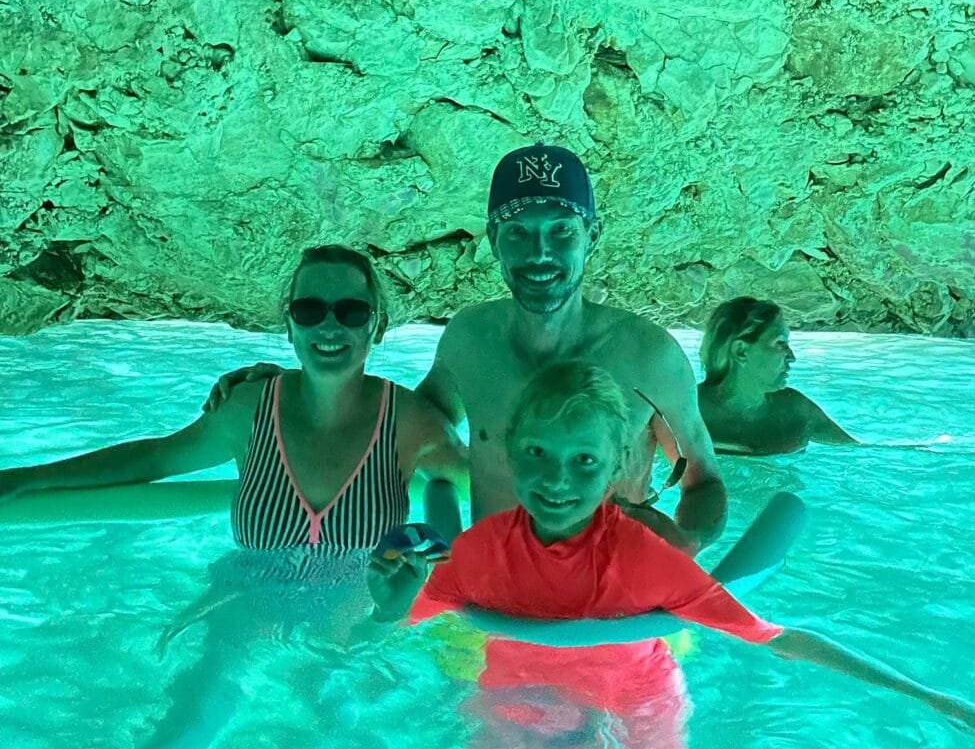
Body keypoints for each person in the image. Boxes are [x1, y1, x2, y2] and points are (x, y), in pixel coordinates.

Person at [368, 361, 974, 749]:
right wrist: (387, 605)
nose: (557, 478)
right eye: (538, 453)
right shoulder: (479, 554)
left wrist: (927, 695)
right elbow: (385, 630)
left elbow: (774, 637)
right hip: (520, 692)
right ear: (508, 451)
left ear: (615, 469)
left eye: (584, 459)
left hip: (633, 696)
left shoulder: (644, 562)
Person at [208, 144, 727, 555]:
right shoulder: (471, 340)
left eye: (561, 231)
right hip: (495, 598)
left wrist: (683, 549)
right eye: (518, 232)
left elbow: (703, 483)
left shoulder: (650, 357)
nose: (540, 252)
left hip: (612, 599)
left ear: (591, 235)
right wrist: (301, 387)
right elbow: (407, 420)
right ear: (494, 239)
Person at [0, 243, 467, 543]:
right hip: (240, 614)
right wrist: (28, 478)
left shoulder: (409, 423)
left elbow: (494, 488)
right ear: (289, 326)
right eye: (309, 310)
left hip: (359, 636)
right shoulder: (249, 409)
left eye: (351, 311)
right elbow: (156, 458)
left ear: (377, 327)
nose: (329, 325)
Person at [697, 297, 858, 455]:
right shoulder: (689, 412)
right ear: (741, 351)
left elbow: (859, 452)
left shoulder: (795, 411)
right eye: (780, 343)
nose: (792, 357)